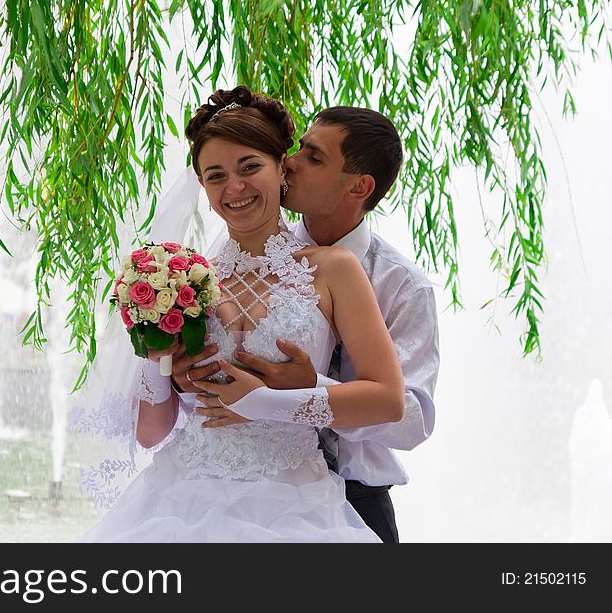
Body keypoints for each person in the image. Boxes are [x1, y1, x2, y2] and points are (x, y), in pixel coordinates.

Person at [79, 86, 404, 542]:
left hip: (294, 504)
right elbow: (151, 434)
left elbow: (389, 400)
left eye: (250, 167)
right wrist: (160, 360)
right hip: (178, 501)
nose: (234, 188)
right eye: (215, 176)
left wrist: (265, 402)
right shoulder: (182, 283)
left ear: (281, 169)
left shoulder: (333, 270)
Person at [191, 106, 440, 543]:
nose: (290, 161)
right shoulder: (241, 255)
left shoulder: (402, 286)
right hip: (234, 491)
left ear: (359, 186)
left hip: (355, 498)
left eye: (313, 157)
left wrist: (305, 387)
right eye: (298, 148)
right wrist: (179, 377)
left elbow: (411, 418)